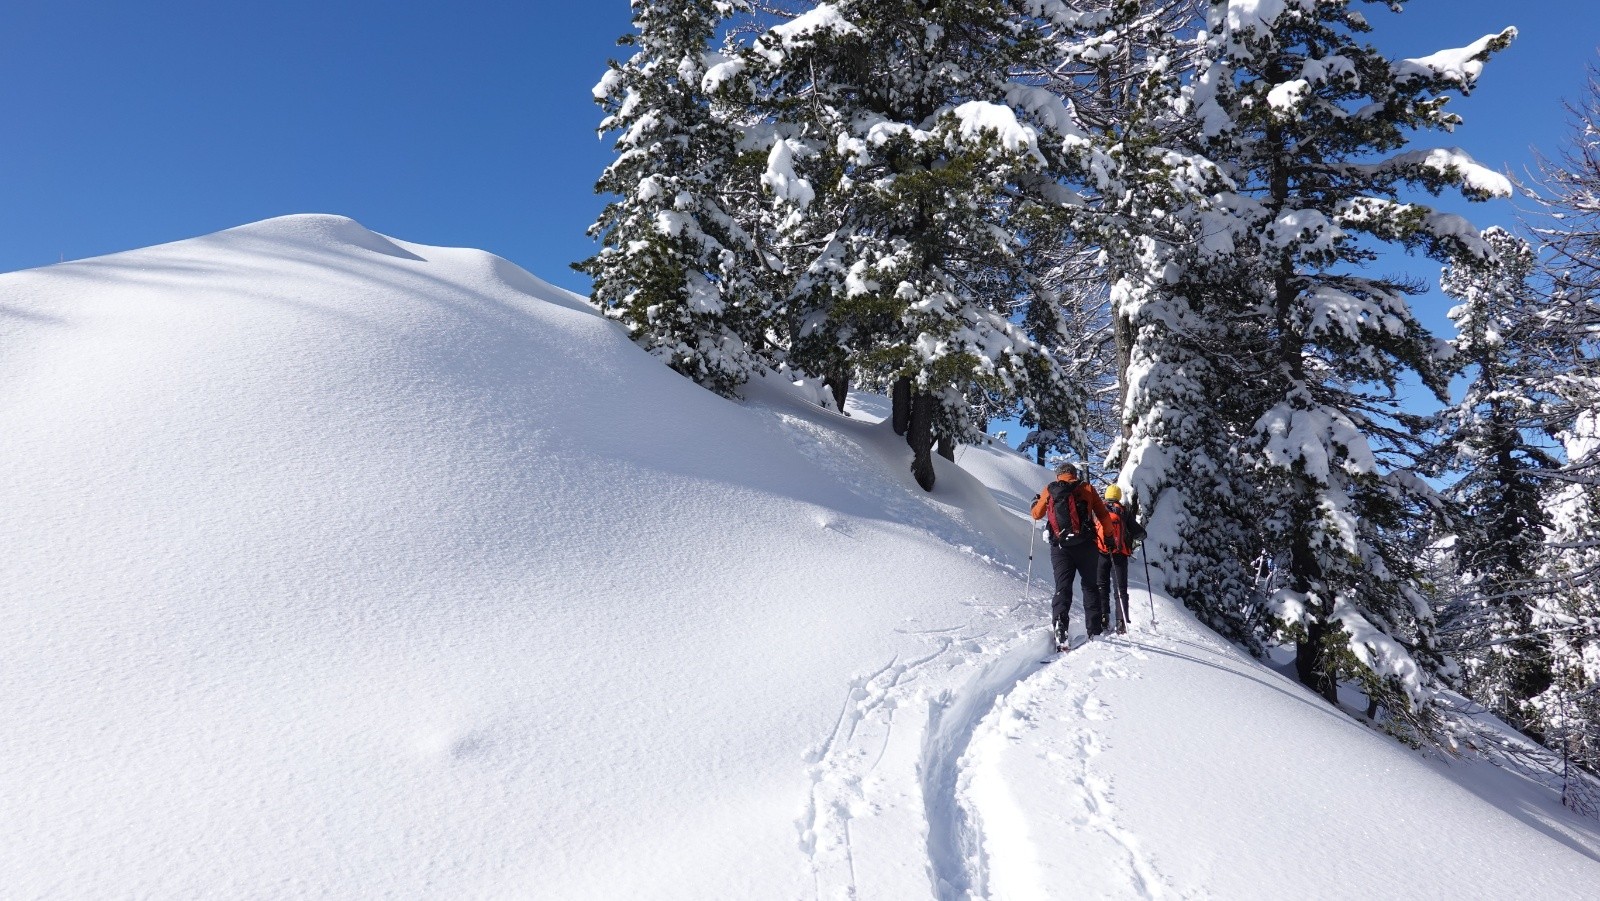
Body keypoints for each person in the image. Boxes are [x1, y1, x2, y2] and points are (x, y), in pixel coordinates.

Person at [1031, 461, 1112, 648]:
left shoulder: (1050, 490)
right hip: (1086, 546)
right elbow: (1103, 516)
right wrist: (1108, 538)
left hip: (1061, 548)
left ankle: (1060, 628)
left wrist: (1035, 503)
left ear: (1058, 475)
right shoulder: (1087, 488)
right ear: (1075, 474)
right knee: (1090, 586)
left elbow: (1036, 514)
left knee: (1063, 587)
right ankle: (1094, 631)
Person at [1096, 484, 1137, 634]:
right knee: (1120, 589)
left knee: (1102, 585)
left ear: (1106, 495)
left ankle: (1103, 617)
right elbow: (1137, 531)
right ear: (1118, 496)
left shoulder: (1099, 510)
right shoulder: (1123, 511)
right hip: (1119, 555)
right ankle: (1121, 622)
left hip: (1101, 553)